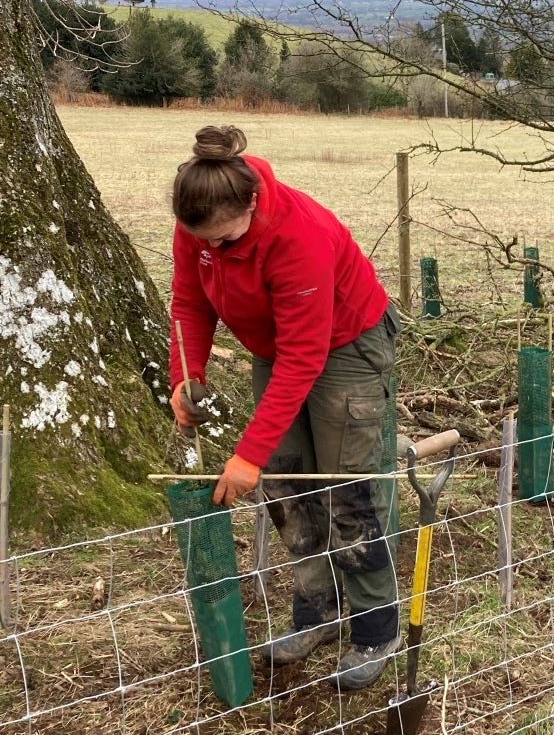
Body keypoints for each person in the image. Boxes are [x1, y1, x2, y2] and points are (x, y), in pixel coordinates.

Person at [166, 125, 402, 689]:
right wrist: (186, 376)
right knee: (287, 482)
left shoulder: (299, 234)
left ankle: (376, 628)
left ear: (251, 201)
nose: (214, 249)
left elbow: (305, 357)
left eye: (226, 240)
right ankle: (316, 612)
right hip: (276, 346)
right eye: (205, 242)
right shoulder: (198, 228)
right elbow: (189, 304)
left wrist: (247, 452)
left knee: (347, 488)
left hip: (346, 344)